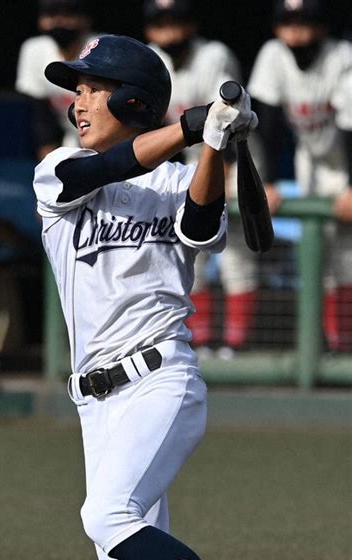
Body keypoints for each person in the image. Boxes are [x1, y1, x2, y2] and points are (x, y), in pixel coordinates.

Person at [32, 34, 318, 560]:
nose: (77, 101)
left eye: (90, 88)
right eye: (75, 89)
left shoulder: (180, 180)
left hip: (158, 379)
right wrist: (196, 126)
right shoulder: (58, 168)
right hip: (93, 400)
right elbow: (97, 172)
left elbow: (198, 227)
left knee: (106, 515)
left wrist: (214, 143)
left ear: (131, 98)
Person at [143, 0, 260, 357]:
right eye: (161, 22)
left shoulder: (213, 55)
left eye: (176, 21)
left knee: (237, 254)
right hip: (184, 160)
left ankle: (237, 345)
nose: (169, 31)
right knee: (191, 251)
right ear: (149, 28)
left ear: (191, 24)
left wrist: (219, 175)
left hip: (232, 155)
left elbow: (228, 117)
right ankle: (201, 340)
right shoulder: (149, 58)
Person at [248, 0, 352, 352]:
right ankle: (335, 344)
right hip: (310, 156)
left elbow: (350, 128)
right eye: (289, 22)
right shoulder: (273, 55)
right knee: (320, 258)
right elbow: (269, 122)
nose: (297, 31)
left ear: (322, 26)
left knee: (348, 257)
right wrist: (272, 180)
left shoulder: (342, 56)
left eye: (305, 22)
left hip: (343, 155)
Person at [15, 0, 95, 160]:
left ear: (85, 19)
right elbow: (40, 114)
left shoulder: (101, 47)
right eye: (52, 14)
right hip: (71, 135)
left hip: (110, 138)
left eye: (68, 14)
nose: (59, 21)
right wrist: (49, 158)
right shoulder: (34, 50)